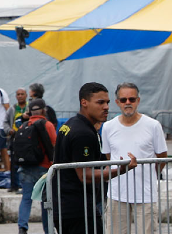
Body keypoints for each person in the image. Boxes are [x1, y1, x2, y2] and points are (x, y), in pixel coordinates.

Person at [54, 82, 138, 234]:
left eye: (107, 102)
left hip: (66, 206)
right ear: (84, 102)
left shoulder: (70, 124)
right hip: (78, 209)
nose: (106, 107)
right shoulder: (82, 133)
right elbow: (85, 176)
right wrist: (121, 170)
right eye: (100, 102)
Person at [100, 83, 167, 234]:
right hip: (117, 193)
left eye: (131, 99)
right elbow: (109, 156)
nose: (128, 103)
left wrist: (150, 175)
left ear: (138, 100)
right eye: (123, 100)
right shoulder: (108, 127)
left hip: (145, 194)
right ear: (117, 102)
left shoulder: (153, 125)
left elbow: (162, 156)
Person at [15, 98, 56, 234]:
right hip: (43, 168)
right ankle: (48, 230)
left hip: (25, 168)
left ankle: (22, 227)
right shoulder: (47, 124)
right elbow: (54, 144)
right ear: (44, 110)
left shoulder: (23, 125)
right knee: (45, 202)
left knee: (26, 198)